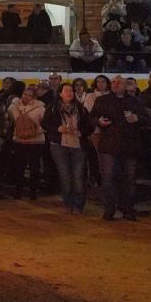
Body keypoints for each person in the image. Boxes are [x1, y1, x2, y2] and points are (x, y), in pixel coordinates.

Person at [91, 76, 144, 221]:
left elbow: (146, 118)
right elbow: (91, 118)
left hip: (129, 146)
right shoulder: (102, 100)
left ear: (125, 85)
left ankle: (127, 208)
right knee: (108, 179)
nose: (115, 84)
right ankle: (110, 208)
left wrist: (137, 118)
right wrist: (99, 121)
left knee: (129, 179)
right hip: (109, 146)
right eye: (113, 82)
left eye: (118, 82)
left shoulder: (135, 101)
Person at [43, 82, 93, 214]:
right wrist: (57, 128)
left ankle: (78, 205)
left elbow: (90, 124)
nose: (69, 93)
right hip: (59, 145)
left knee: (78, 176)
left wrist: (82, 132)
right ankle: (67, 202)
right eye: (66, 90)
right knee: (65, 175)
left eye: (71, 90)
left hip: (78, 145)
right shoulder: (53, 108)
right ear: (60, 93)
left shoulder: (81, 109)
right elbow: (45, 123)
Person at [7, 84, 48, 200]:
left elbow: (45, 124)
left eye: (30, 95)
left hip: (36, 141)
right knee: (19, 167)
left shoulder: (41, 108)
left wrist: (36, 131)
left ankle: (33, 192)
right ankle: (18, 191)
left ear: (34, 97)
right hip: (19, 140)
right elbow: (10, 122)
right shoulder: (13, 107)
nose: (27, 97)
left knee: (34, 167)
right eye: (25, 94)